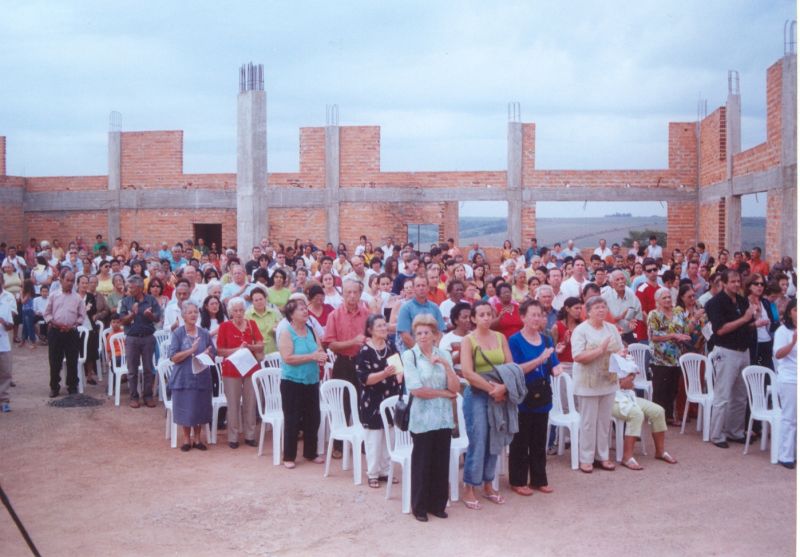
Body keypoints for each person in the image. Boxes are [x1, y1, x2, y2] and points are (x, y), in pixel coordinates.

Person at [402, 313, 460, 522]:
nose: (423, 336)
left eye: (427, 332)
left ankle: (438, 504)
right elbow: (417, 389)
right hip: (422, 418)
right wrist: (444, 394)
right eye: (419, 333)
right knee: (422, 462)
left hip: (443, 418)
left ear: (435, 335)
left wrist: (445, 365)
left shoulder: (443, 353)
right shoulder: (410, 356)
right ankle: (420, 506)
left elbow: (455, 387)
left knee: (440, 461)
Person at [459, 301, 513, 509]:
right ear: (473, 318)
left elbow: (510, 366)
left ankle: (488, 484)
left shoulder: (500, 337)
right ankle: (470, 487)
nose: (486, 318)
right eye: (481, 314)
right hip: (477, 395)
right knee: (479, 439)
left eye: (489, 314)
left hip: (498, 394)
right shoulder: (468, 340)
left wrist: (503, 388)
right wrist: (493, 389)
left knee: (495, 440)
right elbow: (467, 372)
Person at [508, 299, 562, 495]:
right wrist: (540, 359)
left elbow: (553, 365)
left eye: (539, 315)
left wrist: (557, 367)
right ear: (523, 317)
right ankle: (518, 480)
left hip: (542, 394)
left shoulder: (546, 340)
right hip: (523, 395)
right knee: (521, 440)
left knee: (539, 439)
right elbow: (516, 369)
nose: (536, 318)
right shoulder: (514, 340)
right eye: (532, 314)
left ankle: (539, 479)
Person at [705, 270, 759, 449]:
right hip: (726, 351)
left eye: (739, 281)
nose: (737, 284)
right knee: (723, 394)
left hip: (743, 350)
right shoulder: (715, 303)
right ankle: (716, 434)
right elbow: (720, 329)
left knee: (741, 395)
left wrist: (753, 322)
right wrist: (745, 319)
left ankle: (734, 431)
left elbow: (744, 325)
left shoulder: (743, 301)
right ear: (725, 283)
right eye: (733, 281)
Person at [571, 296, 623, 473]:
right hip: (587, 383)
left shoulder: (611, 328)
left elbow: (619, 348)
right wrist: (600, 350)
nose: (601, 310)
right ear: (589, 311)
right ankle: (586, 458)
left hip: (608, 380)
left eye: (603, 307)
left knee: (604, 421)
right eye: (597, 308)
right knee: (588, 422)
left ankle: (603, 456)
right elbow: (577, 356)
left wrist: (623, 354)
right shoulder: (581, 330)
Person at [322, 279, 370, 458]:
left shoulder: (366, 314)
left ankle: (365, 441)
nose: (352, 296)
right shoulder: (334, 315)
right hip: (343, 362)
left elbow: (374, 336)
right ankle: (339, 445)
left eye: (355, 292)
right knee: (342, 403)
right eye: (348, 292)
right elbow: (331, 345)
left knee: (364, 401)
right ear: (342, 294)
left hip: (363, 362)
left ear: (360, 294)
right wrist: (353, 342)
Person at [278, 299, 327, 468]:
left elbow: (319, 349)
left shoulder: (311, 329)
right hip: (292, 382)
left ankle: (310, 452)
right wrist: (312, 357)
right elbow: (288, 358)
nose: (306, 311)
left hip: (311, 379)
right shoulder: (286, 332)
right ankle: (289, 456)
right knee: (292, 419)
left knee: (313, 417)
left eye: (306, 309)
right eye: (301, 309)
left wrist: (321, 356)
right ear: (291, 314)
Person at [355, 314, 402, 487]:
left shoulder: (390, 346)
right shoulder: (364, 351)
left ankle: (386, 470)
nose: (384, 328)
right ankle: (373, 473)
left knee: (389, 435)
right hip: (372, 400)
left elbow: (398, 370)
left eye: (385, 325)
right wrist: (384, 373)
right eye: (379, 326)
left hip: (390, 396)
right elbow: (364, 379)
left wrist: (398, 375)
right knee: (374, 438)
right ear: (370, 330)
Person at [216, 297, 264, 449]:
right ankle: (233, 436)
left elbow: (261, 345)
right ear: (230, 312)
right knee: (233, 403)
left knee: (251, 402)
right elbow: (220, 350)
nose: (238, 313)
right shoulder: (224, 326)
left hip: (250, 367)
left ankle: (250, 435)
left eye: (241, 310)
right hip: (231, 369)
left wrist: (249, 346)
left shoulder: (251, 324)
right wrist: (237, 350)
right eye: (235, 310)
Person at [168, 301, 216, 451]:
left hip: (201, 376)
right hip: (183, 377)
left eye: (195, 312)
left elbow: (213, 352)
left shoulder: (204, 333)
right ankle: (186, 439)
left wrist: (208, 353)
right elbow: (173, 357)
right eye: (190, 312)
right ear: (183, 316)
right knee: (186, 407)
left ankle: (198, 438)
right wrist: (191, 350)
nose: (193, 315)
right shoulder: (178, 333)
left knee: (199, 407)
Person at [612, 368, 677, 470]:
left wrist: (631, 376)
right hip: (611, 399)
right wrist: (620, 383)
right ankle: (627, 457)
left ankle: (660, 452)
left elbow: (631, 379)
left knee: (658, 411)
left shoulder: (625, 358)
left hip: (628, 396)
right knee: (636, 414)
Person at [647, 288, 692, 426]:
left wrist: (684, 336)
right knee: (660, 389)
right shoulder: (654, 314)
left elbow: (685, 330)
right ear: (658, 301)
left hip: (676, 357)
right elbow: (653, 336)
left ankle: (669, 417)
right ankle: (657, 418)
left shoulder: (678, 313)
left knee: (673, 389)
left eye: (668, 297)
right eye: (664, 298)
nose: (667, 300)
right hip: (660, 358)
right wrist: (672, 336)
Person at [118, 275, 162, 408]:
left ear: (140, 288)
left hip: (148, 338)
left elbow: (157, 318)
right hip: (132, 338)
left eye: (131, 287)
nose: (129, 289)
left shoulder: (151, 300)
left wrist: (150, 315)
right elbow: (122, 320)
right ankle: (133, 397)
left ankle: (148, 396)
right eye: (129, 287)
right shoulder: (126, 301)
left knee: (149, 368)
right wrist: (132, 314)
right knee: (132, 370)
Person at [44, 270, 86, 397]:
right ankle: (54, 387)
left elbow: (81, 316)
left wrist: (73, 325)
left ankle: (72, 386)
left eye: (72, 281)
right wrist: (55, 323)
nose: (70, 283)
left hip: (71, 332)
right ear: (60, 280)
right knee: (55, 360)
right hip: (55, 332)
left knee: (72, 360)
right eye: (67, 280)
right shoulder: (53, 295)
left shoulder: (78, 298)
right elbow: (47, 313)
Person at [773, 299, 797, 469]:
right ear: (790, 312)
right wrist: (793, 342)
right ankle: (785, 455)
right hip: (790, 378)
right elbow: (779, 354)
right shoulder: (783, 331)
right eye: (796, 309)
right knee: (789, 418)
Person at [396, 276, 446, 350]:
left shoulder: (434, 307)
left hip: (433, 350)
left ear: (428, 288)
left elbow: (440, 332)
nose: (421, 288)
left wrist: (434, 349)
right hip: (412, 351)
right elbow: (405, 336)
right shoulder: (406, 308)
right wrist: (421, 352)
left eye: (423, 285)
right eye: (418, 286)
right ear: (414, 289)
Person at [245, 287, 282, 354]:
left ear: (265, 299)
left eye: (261, 299)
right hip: (256, 352)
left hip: (272, 350)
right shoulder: (247, 315)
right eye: (256, 300)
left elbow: (281, 328)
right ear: (252, 302)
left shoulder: (273, 313)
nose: (259, 302)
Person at [0, 284, 13, 412]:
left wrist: (4, 322)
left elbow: (11, 326)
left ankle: (4, 400)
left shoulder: (5, 302)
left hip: (3, 344)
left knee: (5, 373)